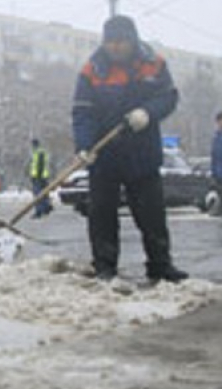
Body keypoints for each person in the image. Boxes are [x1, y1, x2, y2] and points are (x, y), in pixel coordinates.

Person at [72, 15, 188, 283]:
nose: (114, 47)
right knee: (101, 213)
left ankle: (160, 265)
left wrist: (148, 113)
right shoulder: (92, 70)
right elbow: (82, 112)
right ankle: (105, 267)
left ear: (132, 40)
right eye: (110, 42)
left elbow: (168, 97)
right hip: (105, 155)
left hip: (142, 152)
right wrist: (84, 146)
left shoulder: (153, 64)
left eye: (120, 41)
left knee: (151, 213)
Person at [29, 139, 52, 218]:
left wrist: (37, 176)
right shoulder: (41, 152)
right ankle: (46, 208)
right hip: (43, 176)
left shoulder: (38, 152)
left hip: (39, 177)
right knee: (44, 193)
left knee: (38, 195)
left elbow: (39, 165)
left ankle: (39, 211)